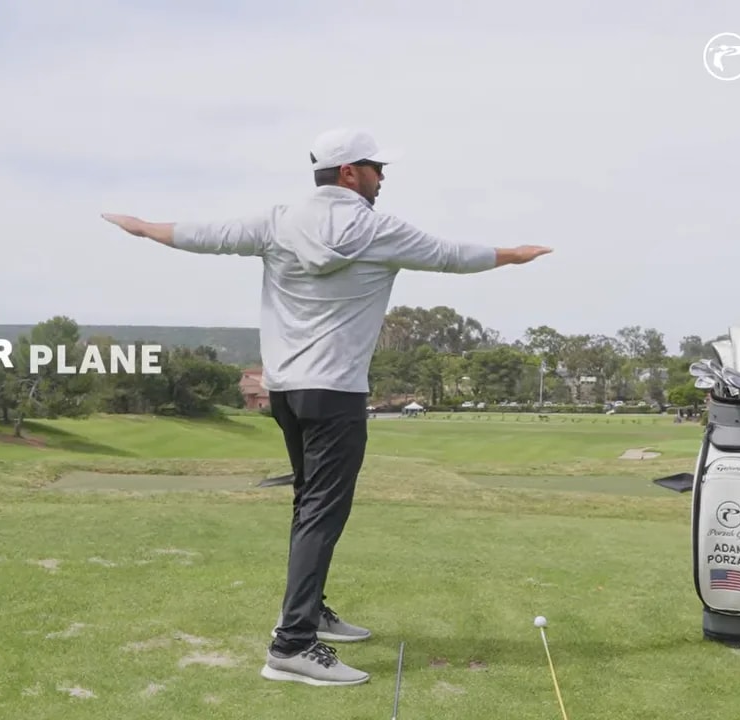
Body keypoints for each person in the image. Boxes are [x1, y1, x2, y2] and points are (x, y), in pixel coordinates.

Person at [101, 127, 552, 687]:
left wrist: (143, 228)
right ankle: (291, 646)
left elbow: (203, 235)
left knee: (307, 503)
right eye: (376, 168)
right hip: (336, 393)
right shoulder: (379, 229)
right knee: (322, 512)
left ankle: (308, 613)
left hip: (286, 392)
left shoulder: (277, 220)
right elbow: (451, 256)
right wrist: (514, 255)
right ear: (348, 173)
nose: (383, 178)